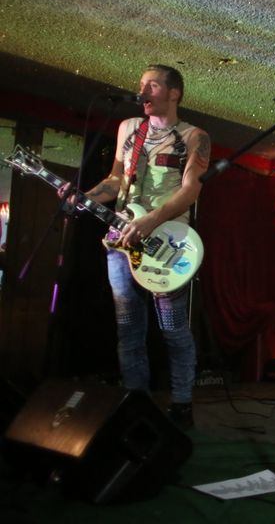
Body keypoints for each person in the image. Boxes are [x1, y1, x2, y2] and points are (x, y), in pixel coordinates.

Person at [61, 64, 209, 429]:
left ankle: (182, 403)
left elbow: (191, 189)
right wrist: (84, 196)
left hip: (168, 240)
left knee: (172, 328)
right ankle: (136, 404)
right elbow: (115, 179)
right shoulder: (128, 128)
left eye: (152, 85)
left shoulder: (194, 136)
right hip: (121, 239)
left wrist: (152, 219)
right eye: (141, 85)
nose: (143, 91)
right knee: (128, 328)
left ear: (173, 93)